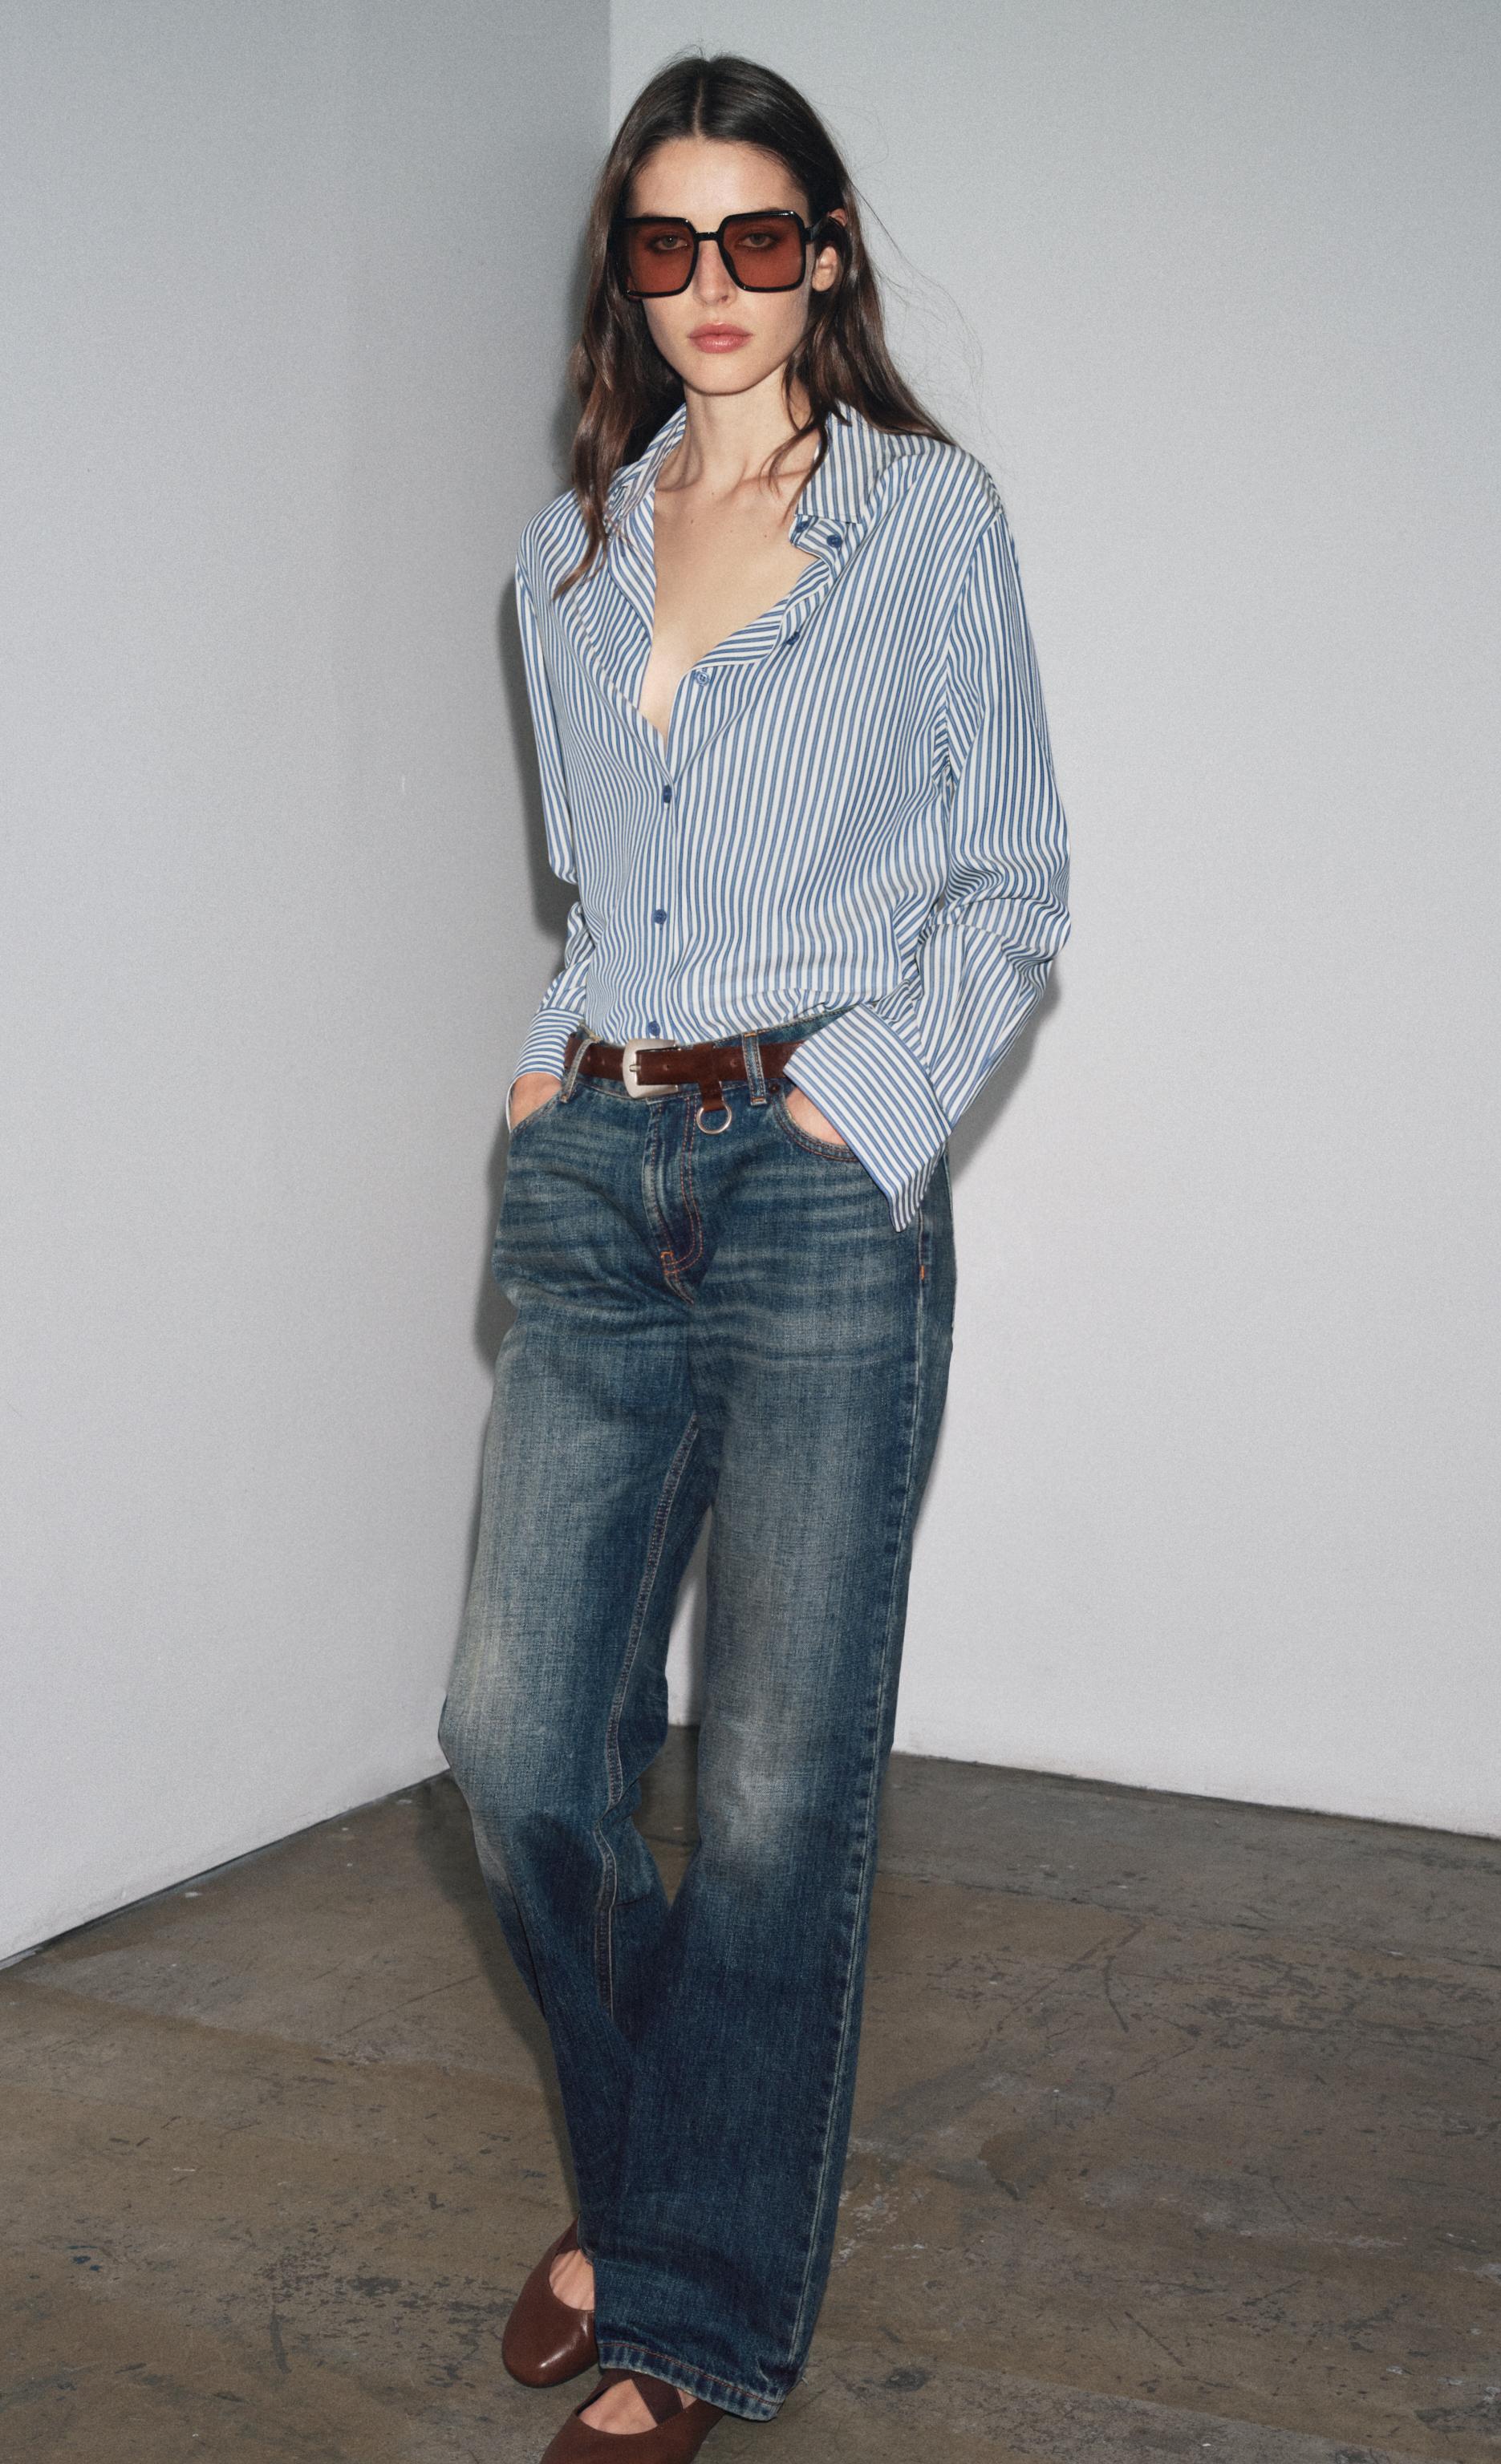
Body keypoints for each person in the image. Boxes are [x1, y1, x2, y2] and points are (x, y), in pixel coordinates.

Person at [437, 51, 1070, 2461]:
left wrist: (850, 1113)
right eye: (667, 241)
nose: (715, 284)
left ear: (828, 257)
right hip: (598, 1168)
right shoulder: (568, 556)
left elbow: (1013, 887)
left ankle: (685, 2311)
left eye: (761, 237)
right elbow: (612, 898)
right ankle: (657, 2195)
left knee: (784, 1796)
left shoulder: (925, 519)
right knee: (519, 1747)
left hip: (815, 1185)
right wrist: (540, 1083)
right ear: (626, 269)